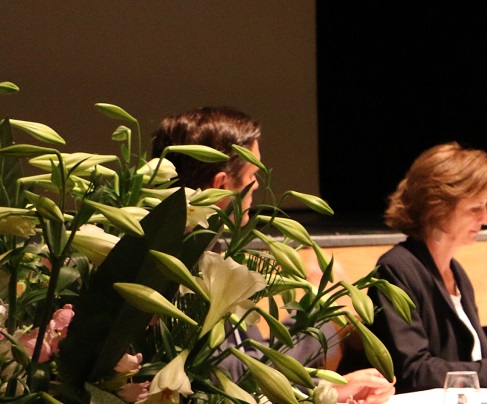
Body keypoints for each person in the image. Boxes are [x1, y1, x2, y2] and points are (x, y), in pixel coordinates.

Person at [151, 107, 394, 402]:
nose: (257, 185)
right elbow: (233, 379)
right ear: (220, 184)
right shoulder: (176, 266)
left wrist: (326, 388)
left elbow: (249, 361)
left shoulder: (212, 250)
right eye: (252, 175)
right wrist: (321, 313)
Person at [357, 142, 487, 393]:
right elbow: (415, 371)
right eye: (475, 208)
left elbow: (479, 362)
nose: (486, 219)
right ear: (437, 208)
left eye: (486, 207)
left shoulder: (458, 274)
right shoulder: (395, 269)